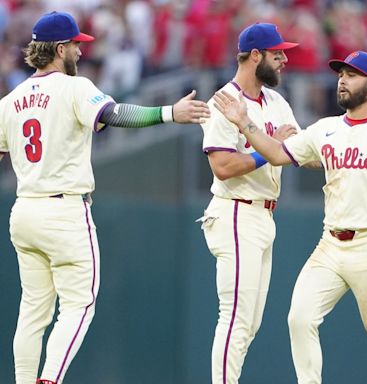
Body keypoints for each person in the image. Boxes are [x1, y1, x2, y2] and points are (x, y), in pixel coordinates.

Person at [0, 11, 210, 384]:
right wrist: (169, 112)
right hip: (63, 211)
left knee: (33, 310)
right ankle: (48, 380)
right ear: (59, 48)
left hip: (24, 211)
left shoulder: (10, 100)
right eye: (76, 45)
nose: (81, 52)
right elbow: (115, 114)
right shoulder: (74, 88)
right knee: (79, 304)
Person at [212, 50, 367, 384]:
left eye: (352, 75)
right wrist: (244, 123)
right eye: (340, 75)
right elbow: (277, 153)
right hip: (330, 245)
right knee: (299, 319)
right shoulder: (325, 129)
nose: (343, 81)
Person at [198, 22, 301, 384]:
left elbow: (293, 151)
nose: (284, 60)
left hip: (263, 215)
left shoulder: (276, 101)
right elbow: (223, 167)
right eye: (277, 54)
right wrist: (268, 149)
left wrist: (265, 144)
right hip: (236, 212)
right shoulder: (224, 101)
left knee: (250, 323)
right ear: (255, 56)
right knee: (236, 318)